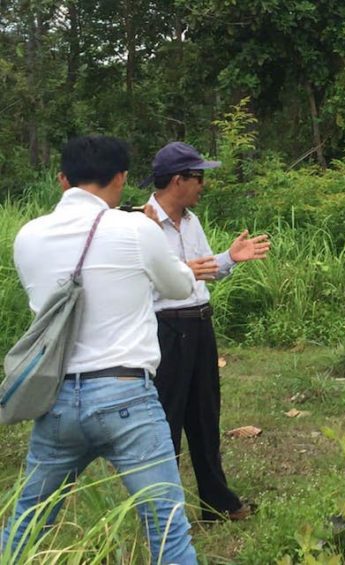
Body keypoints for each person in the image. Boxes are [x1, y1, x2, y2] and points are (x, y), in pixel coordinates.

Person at [1, 136, 199, 564]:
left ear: (61, 180)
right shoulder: (135, 227)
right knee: (166, 525)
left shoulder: (27, 236)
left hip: (54, 401)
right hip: (126, 395)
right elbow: (180, 286)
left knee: (28, 521)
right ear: (121, 179)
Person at [143, 141, 269, 522]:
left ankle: (217, 503)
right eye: (198, 177)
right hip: (167, 329)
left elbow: (201, 270)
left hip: (199, 323)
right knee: (168, 418)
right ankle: (165, 511)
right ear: (178, 180)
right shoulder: (140, 223)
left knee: (205, 415)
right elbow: (136, 282)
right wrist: (184, 272)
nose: (203, 185)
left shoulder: (190, 220)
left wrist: (229, 258)